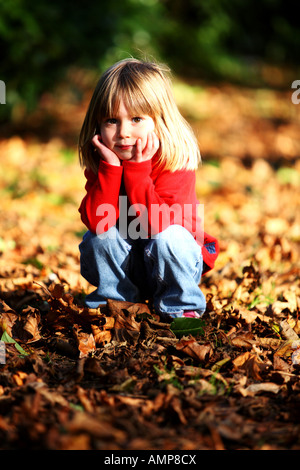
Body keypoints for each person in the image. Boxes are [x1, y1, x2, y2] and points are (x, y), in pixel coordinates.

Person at [78, 58, 219, 319]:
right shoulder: (104, 162)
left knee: (170, 238)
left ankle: (182, 307)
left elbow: (157, 225)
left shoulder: (174, 161)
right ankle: (116, 304)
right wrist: (111, 170)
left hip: (173, 263)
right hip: (129, 265)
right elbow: (97, 223)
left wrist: (137, 170)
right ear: (97, 124)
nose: (123, 133)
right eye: (111, 120)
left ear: (159, 120)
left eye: (136, 119)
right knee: (99, 238)